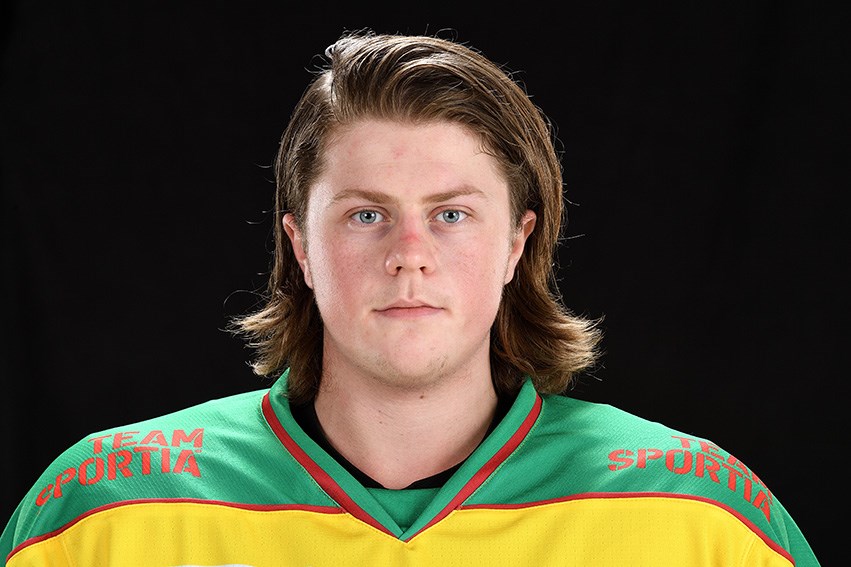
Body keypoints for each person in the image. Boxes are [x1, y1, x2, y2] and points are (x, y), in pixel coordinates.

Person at [1, 31, 819, 566]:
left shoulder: (697, 512)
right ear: (299, 245)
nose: (409, 255)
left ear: (517, 243)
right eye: (366, 215)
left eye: (451, 214)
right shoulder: (106, 507)